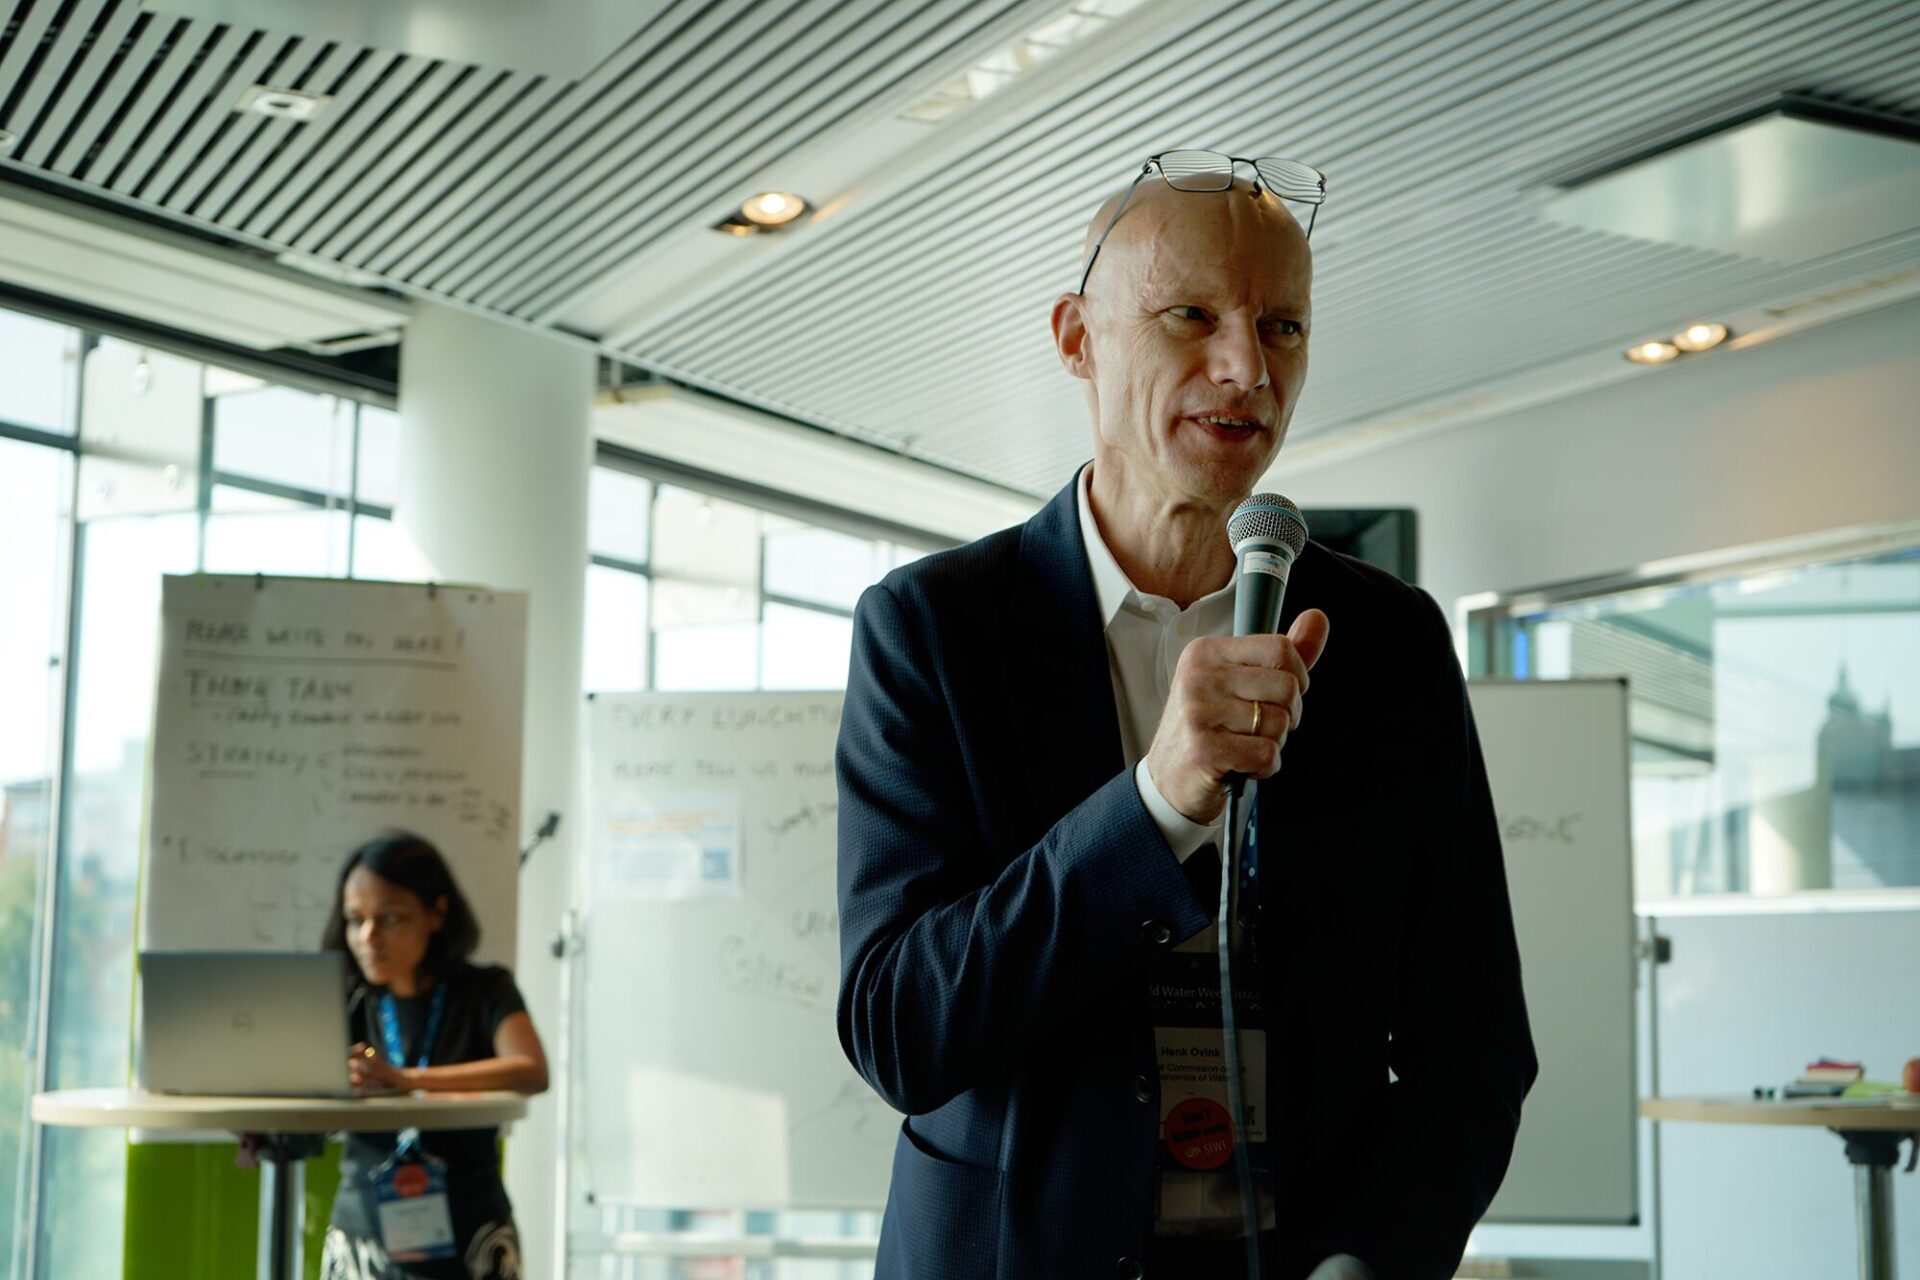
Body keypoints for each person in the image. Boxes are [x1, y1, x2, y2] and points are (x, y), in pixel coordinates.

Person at [835, 151, 1537, 1278]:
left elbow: (1477, 1044)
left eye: (1285, 329)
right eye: (1190, 315)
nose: (1245, 368)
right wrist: (1154, 801)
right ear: (1077, 337)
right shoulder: (933, 628)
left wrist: (1370, 1260)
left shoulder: (1390, 642)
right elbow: (899, 1028)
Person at [317, 831, 549, 1280]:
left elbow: (531, 1070)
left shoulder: (485, 991)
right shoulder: (343, 1000)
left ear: (437, 913)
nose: (368, 937)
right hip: (364, 1236)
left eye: (390, 918)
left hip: (470, 1234)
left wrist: (407, 1079)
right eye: (354, 919)